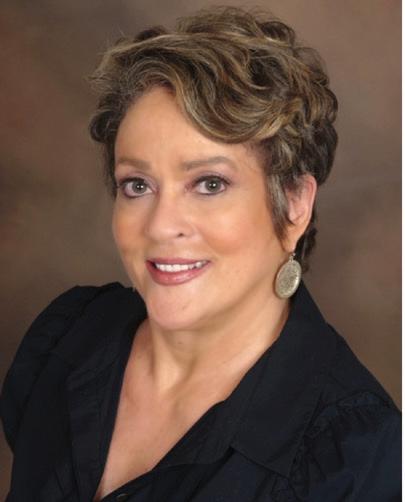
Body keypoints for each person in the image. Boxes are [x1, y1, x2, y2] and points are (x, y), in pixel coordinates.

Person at [0, 6, 400, 502]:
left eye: (209, 184)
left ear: (295, 203)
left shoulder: (356, 455)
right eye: (137, 185)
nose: (161, 225)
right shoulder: (67, 338)